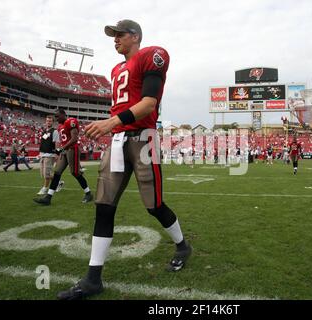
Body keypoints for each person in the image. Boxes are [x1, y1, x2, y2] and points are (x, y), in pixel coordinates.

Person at [57, 19, 192, 300]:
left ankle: (182, 245)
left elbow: (148, 104)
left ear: (135, 36)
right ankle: (93, 278)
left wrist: (110, 122)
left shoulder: (151, 55)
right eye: (113, 35)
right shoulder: (116, 68)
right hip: (118, 141)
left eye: (119, 34)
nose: (114, 39)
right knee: (104, 206)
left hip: (143, 139)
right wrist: (112, 126)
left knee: (154, 206)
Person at [33, 109, 93, 205]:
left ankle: (88, 193)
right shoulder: (60, 126)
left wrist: (61, 149)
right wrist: (62, 149)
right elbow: (64, 140)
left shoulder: (71, 121)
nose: (56, 119)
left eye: (57, 116)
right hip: (65, 150)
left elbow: (74, 139)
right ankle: (48, 197)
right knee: (57, 172)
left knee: (75, 173)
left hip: (72, 149)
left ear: (63, 115)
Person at [36, 115, 62, 195]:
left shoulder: (54, 131)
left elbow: (57, 143)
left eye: (50, 121)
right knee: (45, 174)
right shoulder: (45, 131)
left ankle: (45, 188)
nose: (48, 122)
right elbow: (44, 143)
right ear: (45, 122)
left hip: (50, 155)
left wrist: (57, 154)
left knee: (47, 174)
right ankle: (58, 183)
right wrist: (40, 153)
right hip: (43, 154)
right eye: (47, 121)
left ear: (53, 122)